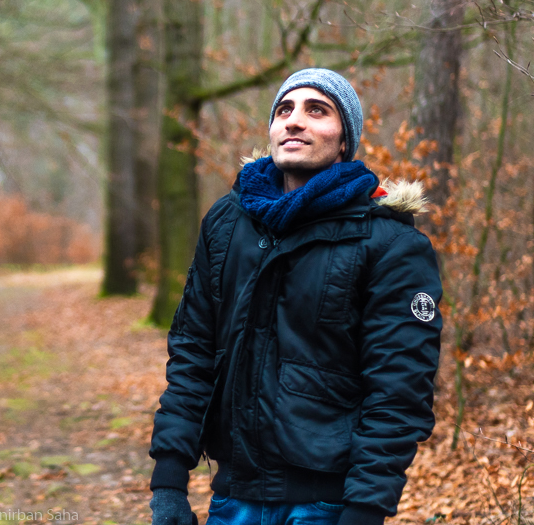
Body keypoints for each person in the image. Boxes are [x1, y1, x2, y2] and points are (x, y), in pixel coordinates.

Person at [148, 68, 442, 525]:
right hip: (232, 498)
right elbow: (193, 352)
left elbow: (399, 390)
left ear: (345, 140)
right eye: (284, 109)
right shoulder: (228, 222)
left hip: (327, 505)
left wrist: (365, 508)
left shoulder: (390, 243)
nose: (294, 120)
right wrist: (168, 482)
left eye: (317, 110)